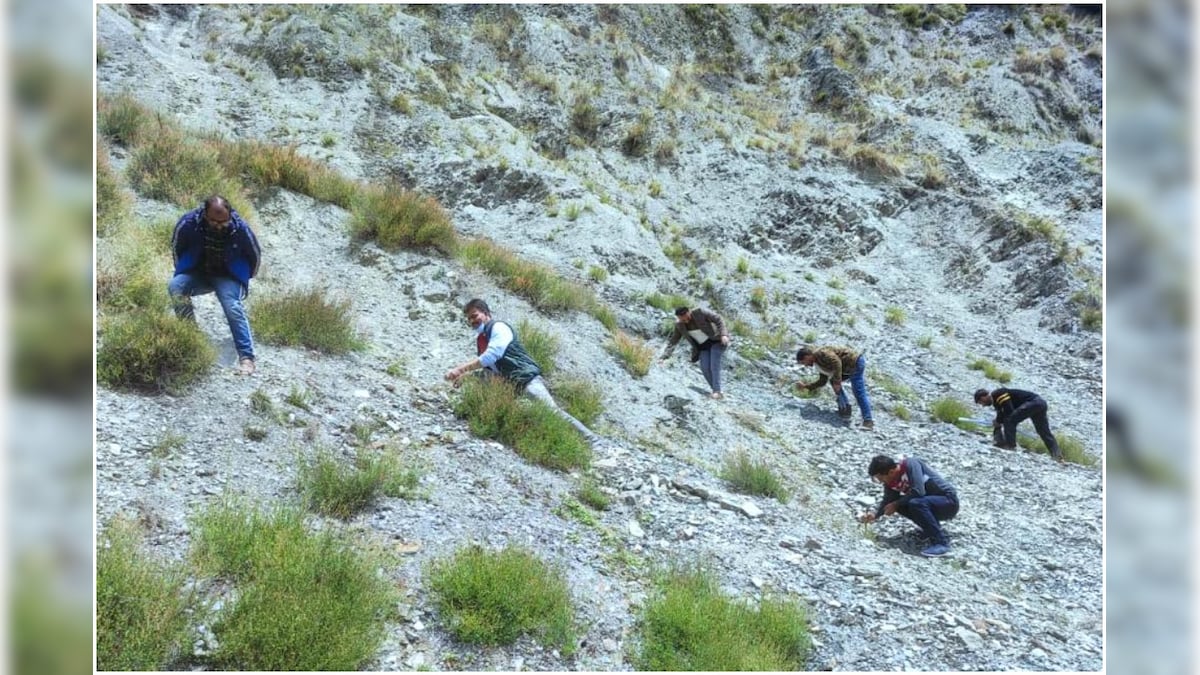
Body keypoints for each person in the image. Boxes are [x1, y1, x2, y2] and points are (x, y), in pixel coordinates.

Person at [445, 298, 602, 446]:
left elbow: (491, 356)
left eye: (475, 316)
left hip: (526, 378)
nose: (472, 321)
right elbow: (490, 369)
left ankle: (592, 440)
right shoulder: (482, 339)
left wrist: (460, 369)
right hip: (510, 383)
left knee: (552, 411)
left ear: (486, 313)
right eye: (469, 319)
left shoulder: (499, 328)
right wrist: (467, 377)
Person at [169, 195, 262, 374]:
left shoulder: (241, 229)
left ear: (229, 214)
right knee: (176, 286)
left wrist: (243, 279)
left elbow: (255, 255)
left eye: (223, 221)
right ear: (205, 214)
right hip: (199, 272)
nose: (219, 225)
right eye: (214, 221)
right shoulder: (188, 223)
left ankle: (247, 358)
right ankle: (191, 340)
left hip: (228, 276)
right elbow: (177, 246)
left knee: (232, 306)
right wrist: (183, 269)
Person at [858, 454, 959, 557]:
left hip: (948, 502)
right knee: (900, 505)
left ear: (891, 472)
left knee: (915, 503)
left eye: (881, 478)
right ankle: (930, 530)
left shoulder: (910, 464)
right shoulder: (891, 482)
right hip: (928, 505)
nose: (881, 482)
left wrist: (895, 503)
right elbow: (889, 500)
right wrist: (875, 515)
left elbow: (919, 491)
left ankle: (942, 542)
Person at [659, 306, 731, 399]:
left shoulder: (700, 312)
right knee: (705, 368)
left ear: (689, 312)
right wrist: (664, 356)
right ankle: (717, 391)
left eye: (687, 318)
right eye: (682, 320)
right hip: (703, 347)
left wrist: (724, 335)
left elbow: (718, 319)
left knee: (714, 365)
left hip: (716, 341)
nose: (686, 321)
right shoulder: (679, 325)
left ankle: (717, 391)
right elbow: (674, 340)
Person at [796, 345, 874, 429]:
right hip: (847, 367)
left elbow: (836, 362)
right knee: (833, 381)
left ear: (807, 356)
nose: (806, 365)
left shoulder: (820, 353)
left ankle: (868, 421)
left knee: (859, 393)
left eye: (804, 362)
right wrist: (806, 387)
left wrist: (837, 382)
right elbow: (822, 381)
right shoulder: (818, 363)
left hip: (855, 363)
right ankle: (845, 409)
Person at [974, 387, 1062, 461]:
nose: (983, 405)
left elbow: (1008, 409)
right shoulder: (996, 403)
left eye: (981, 402)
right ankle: (1057, 456)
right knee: (1043, 431)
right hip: (1040, 404)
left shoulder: (998, 394)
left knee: (1009, 420)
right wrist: (998, 422)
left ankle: (1010, 445)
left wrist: (999, 421)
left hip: (1034, 402)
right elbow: (1001, 414)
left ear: (984, 396)